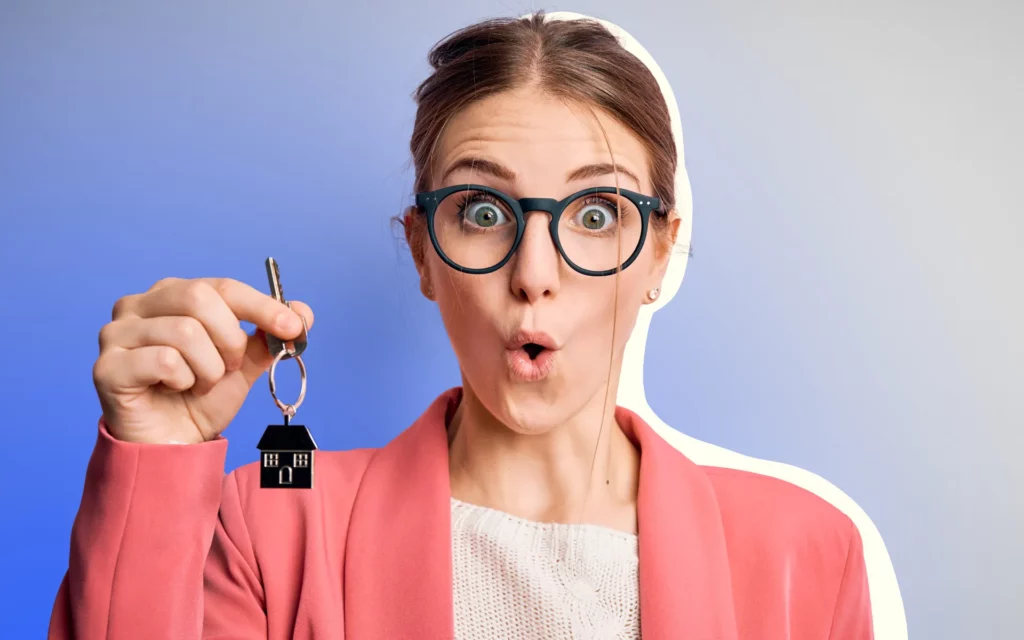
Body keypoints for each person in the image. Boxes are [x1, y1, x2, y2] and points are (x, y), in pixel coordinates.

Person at [48, 11, 875, 640]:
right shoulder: (272, 527)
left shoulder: (806, 550)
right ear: (422, 255)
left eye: (596, 213)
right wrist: (154, 457)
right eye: (483, 210)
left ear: (661, 253)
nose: (534, 276)